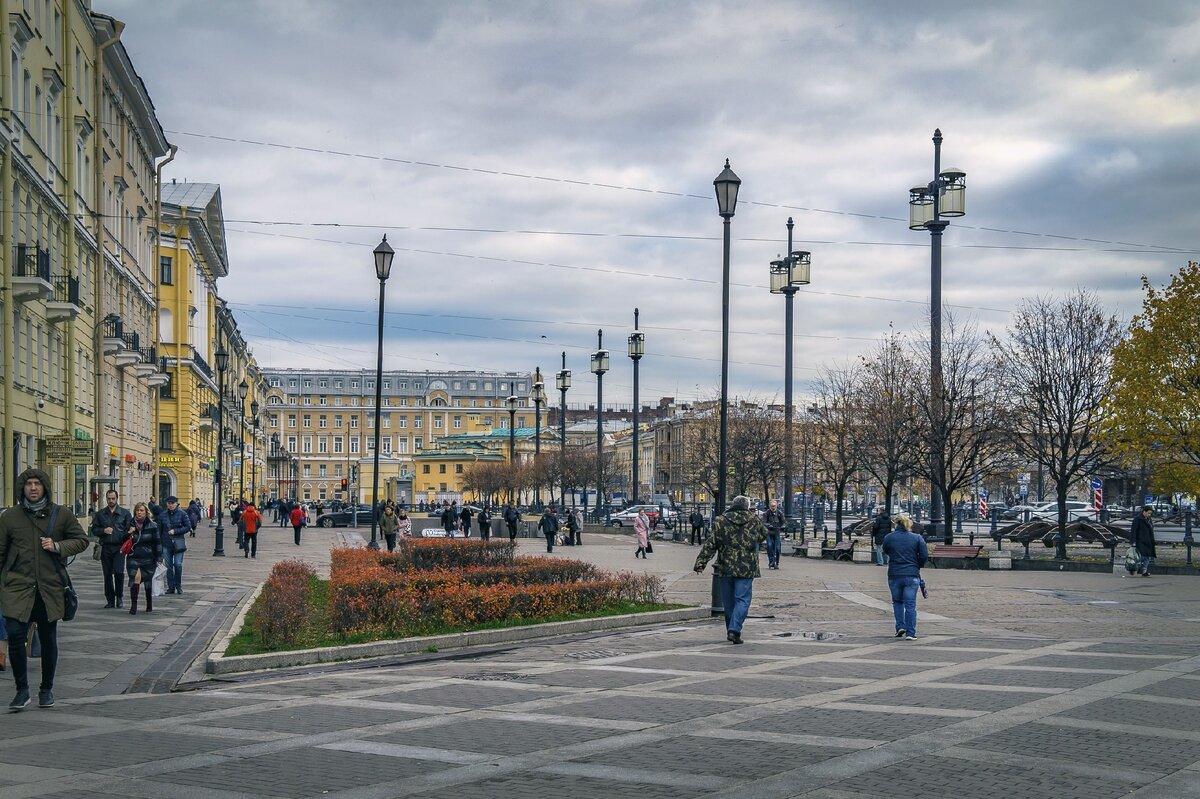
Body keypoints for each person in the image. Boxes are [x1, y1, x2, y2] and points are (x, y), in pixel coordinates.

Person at [0, 467, 90, 710]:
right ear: (22, 488)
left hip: (49, 588)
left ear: (45, 488)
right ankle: (22, 691)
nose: (32, 488)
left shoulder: (61, 515)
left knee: (49, 640)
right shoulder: (10, 517)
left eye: (37, 484)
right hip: (17, 588)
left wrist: (58, 546)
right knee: (16, 637)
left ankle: (46, 689)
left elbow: (82, 540)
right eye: (28, 484)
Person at [693, 495, 767, 645]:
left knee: (728, 602)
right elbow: (763, 536)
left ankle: (731, 629)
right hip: (746, 567)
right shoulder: (754, 520)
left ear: (733, 504)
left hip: (725, 565)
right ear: (747, 506)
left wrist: (701, 562)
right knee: (742, 599)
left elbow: (711, 544)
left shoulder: (721, 520)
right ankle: (734, 629)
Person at [881, 513, 928, 640]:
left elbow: (885, 550)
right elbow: (924, 555)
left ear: (895, 524)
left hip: (894, 574)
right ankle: (911, 633)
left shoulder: (889, 537)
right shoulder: (916, 538)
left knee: (897, 602)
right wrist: (917, 565)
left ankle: (900, 626)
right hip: (911, 574)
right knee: (910, 604)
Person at [90, 489, 134, 608]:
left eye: (113, 498)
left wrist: (130, 532)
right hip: (106, 547)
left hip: (119, 547)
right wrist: (103, 530)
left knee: (119, 572)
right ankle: (110, 599)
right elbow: (94, 529)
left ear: (117, 498)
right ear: (106, 499)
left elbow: (130, 529)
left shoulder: (124, 513)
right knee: (107, 574)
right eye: (109, 499)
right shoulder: (101, 514)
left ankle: (119, 597)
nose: (111, 501)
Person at [125, 502, 161, 615]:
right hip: (133, 557)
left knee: (148, 582)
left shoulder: (152, 525)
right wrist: (128, 533)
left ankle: (149, 602)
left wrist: (159, 557)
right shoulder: (130, 524)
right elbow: (122, 539)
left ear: (146, 512)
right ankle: (134, 605)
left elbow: (157, 542)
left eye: (141, 510)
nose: (139, 513)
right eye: (137, 510)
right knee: (135, 578)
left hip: (148, 558)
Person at [156, 496, 193, 595]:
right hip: (166, 544)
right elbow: (158, 531)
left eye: (172, 503)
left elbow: (188, 527)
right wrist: (158, 545)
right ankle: (171, 587)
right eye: (169, 503)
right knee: (168, 567)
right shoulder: (162, 515)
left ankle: (178, 585)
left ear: (177, 503)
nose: (170, 505)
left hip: (178, 544)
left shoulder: (182, 514)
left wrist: (176, 531)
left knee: (178, 564)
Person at [1131, 504, 1156, 577]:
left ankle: (1144, 570)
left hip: (1148, 541)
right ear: (1144, 512)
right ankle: (1134, 568)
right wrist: (1133, 541)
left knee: (1147, 556)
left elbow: (1151, 530)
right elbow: (1134, 530)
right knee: (1141, 556)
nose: (1149, 515)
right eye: (1148, 513)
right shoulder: (1138, 519)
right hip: (1140, 540)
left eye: (1150, 513)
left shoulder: (1149, 520)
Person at [762, 499, 785, 570]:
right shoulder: (766, 513)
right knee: (769, 546)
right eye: (772, 506)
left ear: (777, 506)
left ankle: (776, 562)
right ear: (769, 506)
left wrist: (783, 526)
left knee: (777, 548)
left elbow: (784, 522)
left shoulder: (780, 513)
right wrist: (769, 525)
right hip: (769, 532)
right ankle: (771, 561)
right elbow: (763, 522)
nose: (773, 507)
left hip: (777, 532)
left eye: (774, 506)